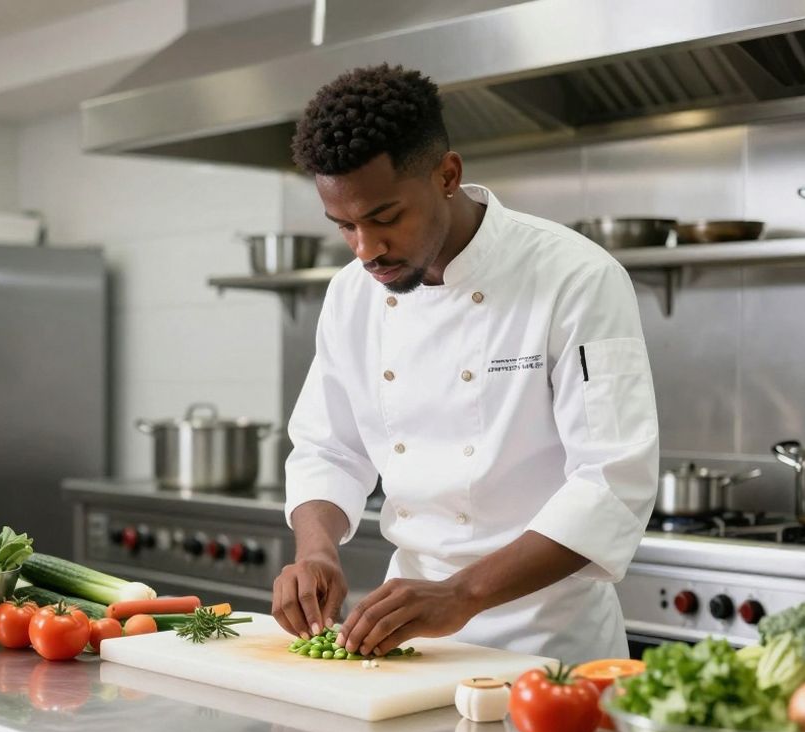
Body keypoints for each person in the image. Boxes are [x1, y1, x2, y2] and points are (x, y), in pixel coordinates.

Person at [272, 64, 659, 663]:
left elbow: (610, 484)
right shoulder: (351, 293)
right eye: (344, 225)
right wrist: (316, 551)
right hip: (412, 640)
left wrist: (463, 594)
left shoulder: (576, 277)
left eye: (384, 217)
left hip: (548, 648)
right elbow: (328, 448)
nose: (365, 250)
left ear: (447, 174)